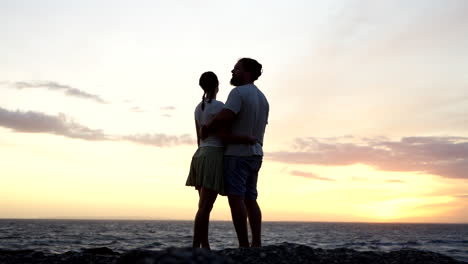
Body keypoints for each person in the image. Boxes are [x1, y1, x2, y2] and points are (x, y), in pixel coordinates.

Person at [202, 58, 269, 248]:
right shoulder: (263, 98)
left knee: (236, 199)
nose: (232, 71)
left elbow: (226, 115)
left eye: (237, 69)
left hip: (237, 154)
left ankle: (244, 246)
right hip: (256, 153)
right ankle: (257, 242)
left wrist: (208, 126)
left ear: (247, 72)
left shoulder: (238, 92)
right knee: (251, 199)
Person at [186, 71, 256, 249]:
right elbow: (224, 136)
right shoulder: (219, 107)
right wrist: (245, 139)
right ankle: (195, 248)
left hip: (199, 154)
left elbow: (199, 138)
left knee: (203, 206)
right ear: (217, 85)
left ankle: (205, 245)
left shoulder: (197, 108)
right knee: (205, 207)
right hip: (213, 155)